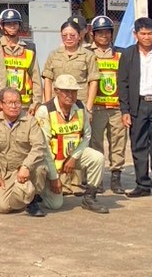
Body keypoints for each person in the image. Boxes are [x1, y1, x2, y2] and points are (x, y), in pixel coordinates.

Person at [34, 74, 108, 213]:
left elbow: (86, 135)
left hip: (71, 155)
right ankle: (40, 191)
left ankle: (90, 197)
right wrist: (54, 178)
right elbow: (44, 148)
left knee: (97, 157)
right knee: (55, 205)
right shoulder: (45, 111)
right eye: (66, 91)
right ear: (56, 91)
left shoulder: (80, 107)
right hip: (50, 159)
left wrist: (74, 157)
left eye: (74, 91)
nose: (70, 95)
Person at [119, 18, 152, 200]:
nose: (147, 37)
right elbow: (122, 83)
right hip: (138, 105)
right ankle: (142, 184)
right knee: (138, 145)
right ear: (135, 34)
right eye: (143, 34)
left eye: (150, 33)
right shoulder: (128, 55)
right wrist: (125, 110)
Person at [0, 87, 48, 216]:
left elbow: (39, 147)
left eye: (17, 102)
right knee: (1, 207)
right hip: (7, 172)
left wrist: (26, 166)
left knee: (40, 167)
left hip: (27, 169)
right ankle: (23, 196)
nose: (14, 106)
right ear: (1, 104)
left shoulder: (30, 121)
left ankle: (32, 200)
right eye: (9, 102)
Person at [85, 15, 129, 194]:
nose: (103, 36)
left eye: (107, 32)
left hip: (116, 107)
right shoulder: (87, 53)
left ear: (112, 33)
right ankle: (97, 179)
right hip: (96, 107)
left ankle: (116, 177)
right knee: (95, 144)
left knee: (118, 143)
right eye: (99, 32)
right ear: (93, 34)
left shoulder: (120, 54)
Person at [41, 19, 98, 114]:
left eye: (72, 35)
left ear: (79, 36)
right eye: (64, 35)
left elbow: (93, 82)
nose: (68, 38)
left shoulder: (89, 55)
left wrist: (88, 108)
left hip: (79, 104)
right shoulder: (53, 55)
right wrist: (48, 105)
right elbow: (48, 80)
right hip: (57, 104)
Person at [0, 9, 41, 113]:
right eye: (8, 24)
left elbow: (36, 78)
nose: (12, 27)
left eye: (15, 23)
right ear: (2, 26)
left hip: (24, 104)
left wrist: (36, 102)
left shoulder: (29, 48)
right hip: (2, 104)